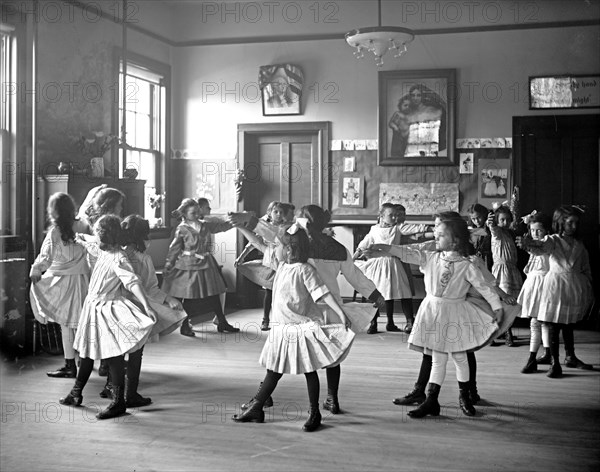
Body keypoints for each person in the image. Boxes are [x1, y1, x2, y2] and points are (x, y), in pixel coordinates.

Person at [229, 204, 385, 415]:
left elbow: (268, 236)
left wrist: (248, 222)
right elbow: (355, 277)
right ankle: (331, 398)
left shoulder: (295, 246)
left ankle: (263, 397)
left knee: (281, 350)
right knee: (332, 356)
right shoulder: (338, 248)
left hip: (298, 310)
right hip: (329, 307)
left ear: (303, 223)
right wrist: (376, 295)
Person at [381, 212, 518, 410]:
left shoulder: (468, 264)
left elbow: (485, 286)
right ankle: (430, 399)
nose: (435, 235)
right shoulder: (431, 258)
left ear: (455, 240)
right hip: (433, 311)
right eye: (435, 230)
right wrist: (384, 248)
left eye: (441, 232)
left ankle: (466, 396)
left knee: (461, 356)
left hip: (456, 312)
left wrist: (498, 306)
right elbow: (406, 252)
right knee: (437, 357)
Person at [231, 224, 353, 432]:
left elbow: (321, 293)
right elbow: (261, 246)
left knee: (309, 370)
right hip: (281, 328)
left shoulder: (306, 269)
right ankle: (257, 407)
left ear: (289, 249)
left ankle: (314, 413)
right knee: (274, 370)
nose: (274, 248)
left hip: (298, 327)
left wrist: (340, 313)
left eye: (277, 245)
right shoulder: (282, 268)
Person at [59, 215, 157, 420]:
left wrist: (147, 305)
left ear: (108, 236)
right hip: (92, 307)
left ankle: (119, 402)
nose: (97, 239)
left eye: (99, 235)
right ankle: (75, 393)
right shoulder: (102, 249)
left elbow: (132, 282)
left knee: (113, 356)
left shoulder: (119, 257)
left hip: (107, 308)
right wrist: (79, 238)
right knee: (86, 352)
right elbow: (88, 242)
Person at [98, 215, 187, 406]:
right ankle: (130, 395)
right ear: (143, 237)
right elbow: (150, 289)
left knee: (117, 351)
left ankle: (110, 387)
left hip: (114, 307)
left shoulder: (115, 253)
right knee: (136, 352)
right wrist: (168, 299)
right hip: (137, 309)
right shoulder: (143, 258)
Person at [517, 205, 595, 377]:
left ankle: (570, 356)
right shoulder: (553, 240)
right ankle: (555, 362)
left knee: (568, 323)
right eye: (570, 223)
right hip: (555, 286)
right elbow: (541, 247)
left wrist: (587, 285)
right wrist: (528, 244)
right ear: (561, 223)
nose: (574, 226)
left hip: (572, 287)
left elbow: (585, 267)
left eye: (576, 223)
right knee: (553, 324)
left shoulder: (579, 244)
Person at [29, 193, 91, 378]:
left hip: (62, 282)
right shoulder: (83, 225)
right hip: (82, 280)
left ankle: (69, 365)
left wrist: (36, 269)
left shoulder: (55, 232)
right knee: (83, 323)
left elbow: (46, 258)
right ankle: (85, 360)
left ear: (53, 211)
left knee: (66, 325)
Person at [162, 198, 238, 336]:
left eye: (198, 212)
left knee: (214, 293)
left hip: (206, 263)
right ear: (184, 214)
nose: (197, 215)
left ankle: (221, 321)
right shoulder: (182, 229)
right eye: (193, 213)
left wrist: (235, 222)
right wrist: (169, 263)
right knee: (189, 296)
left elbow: (221, 227)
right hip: (189, 265)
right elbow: (174, 248)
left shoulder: (204, 225)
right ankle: (185, 325)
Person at [79, 186, 126, 376]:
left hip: (102, 272)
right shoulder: (106, 224)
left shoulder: (101, 221)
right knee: (108, 317)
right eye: (120, 205)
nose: (122, 209)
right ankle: (108, 361)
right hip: (104, 272)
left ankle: (107, 361)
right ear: (112, 205)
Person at [353, 203, 414, 334]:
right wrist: (352, 258)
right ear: (381, 216)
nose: (394, 217)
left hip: (393, 263)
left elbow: (415, 229)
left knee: (404, 292)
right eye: (390, 215)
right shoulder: (374, 229)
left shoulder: (398, 228)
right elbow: (364, 243)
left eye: (396, 215)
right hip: (377, 265)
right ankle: (373, 323)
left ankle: (410, 322)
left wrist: (430, 229)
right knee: (376, 292)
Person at [235, 201, 295, 331]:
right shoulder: (265, 227)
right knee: (269, 290)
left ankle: (284, 319)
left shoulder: (287, 227)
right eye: (275, 212)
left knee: (285, 290)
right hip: (270, 260)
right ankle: (265, 319)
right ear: (269, 213)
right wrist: (241, 257)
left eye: (281, 212)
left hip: (284, 260)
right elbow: (253, 243)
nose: (278, 215)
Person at [517, 211, 551, 374]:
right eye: (532, 230)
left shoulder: (547, 243)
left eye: (539, 230)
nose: (535, 234)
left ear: (546, 231)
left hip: (544, 285)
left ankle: (533, 359)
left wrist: (529, 244)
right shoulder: (534, 244)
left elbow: (538, 250)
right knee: (537, 322)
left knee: (540, 322)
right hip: (533, 284)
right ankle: (546, 354)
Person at [486, 205, 523, 346]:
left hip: (511, 270)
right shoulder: (497, 233)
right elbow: (493, 228)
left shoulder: (510, 233)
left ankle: (504, 330)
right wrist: (491, 223)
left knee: (512, 301)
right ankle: (506, 333)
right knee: (503, 302)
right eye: (502, 220)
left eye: (508, 220)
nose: (505, 223)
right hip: (502, 270)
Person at [467, 203, 492, 271]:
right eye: (473, 219)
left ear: (484, 215)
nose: (477, 221)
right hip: (476, 262)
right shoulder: (471, 230)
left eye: (479, 217)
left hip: (490, 259)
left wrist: (487, 226)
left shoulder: (490, 225)